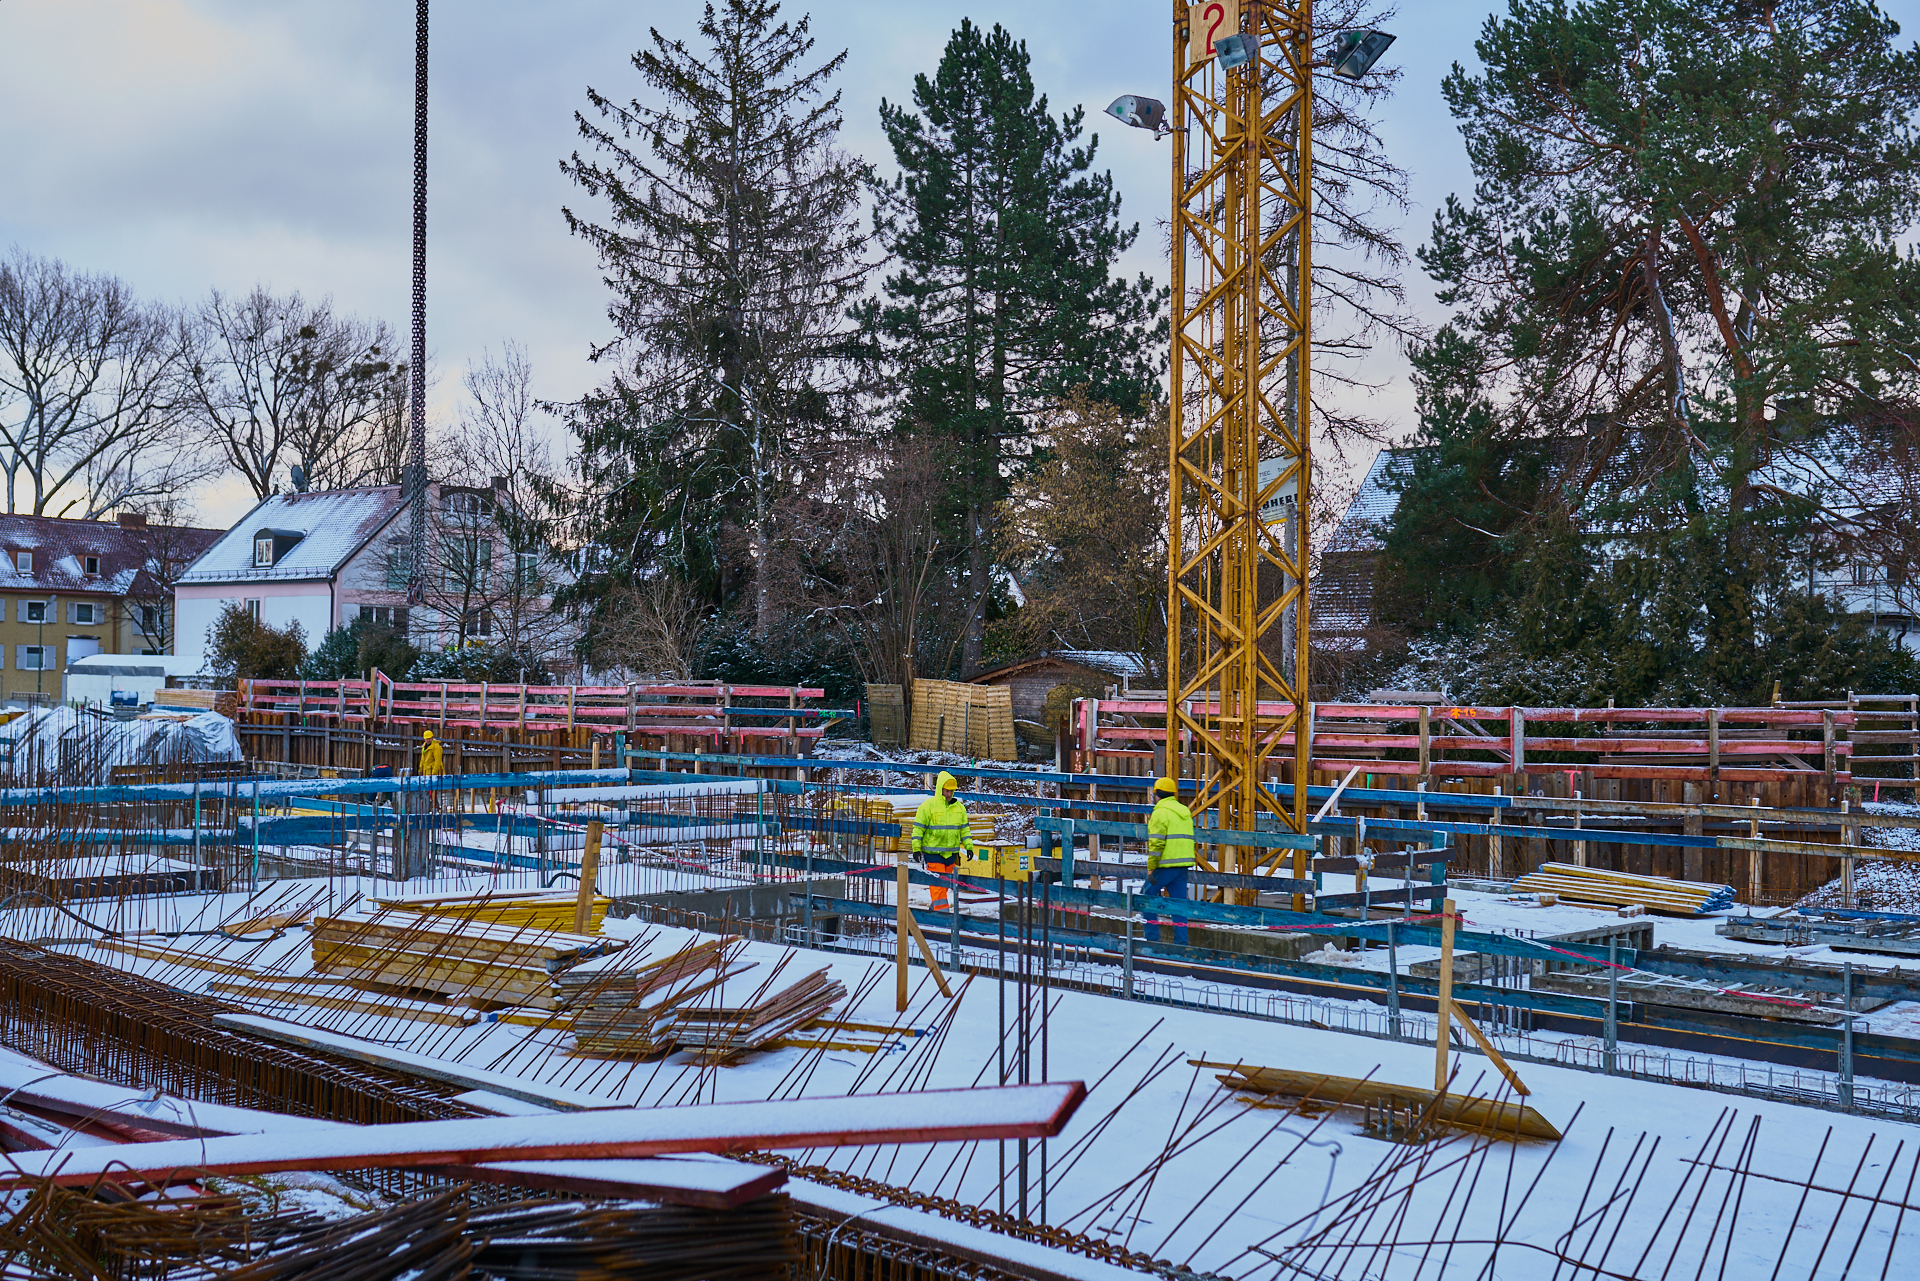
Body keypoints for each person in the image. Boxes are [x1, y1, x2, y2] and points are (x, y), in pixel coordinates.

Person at [911, 770, 975, 911]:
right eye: (947, 791)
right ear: (940, 789)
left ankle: (935, 910)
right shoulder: (928, 807)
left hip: (951, 855)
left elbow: (964, 830)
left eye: (952, 791)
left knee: (944, 887)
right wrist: (916, 849)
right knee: (938, 886)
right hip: (933, 854)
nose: (949, 794)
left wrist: (969, 846)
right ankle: (942, 916)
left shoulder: (959, 808)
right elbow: (918, 829)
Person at [1144, 776, 1194, 944]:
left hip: (1165, 866)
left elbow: (1156, 844)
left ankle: (1152, 939)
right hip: (1182, 866)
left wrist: (1151, 868)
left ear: (1156, 793)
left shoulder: (1160, 813)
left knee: (1146, 897)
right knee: (1179, 905)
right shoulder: (1184, 812)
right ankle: (1181, 942)